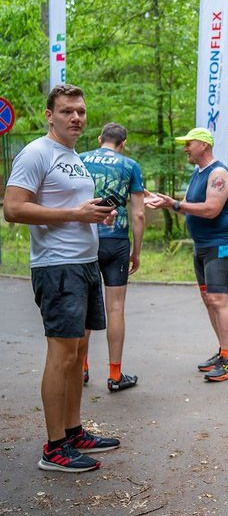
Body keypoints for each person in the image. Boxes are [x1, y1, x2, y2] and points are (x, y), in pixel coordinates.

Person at [4, 83, 121, 473]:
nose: (76, 117)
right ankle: (54, 448)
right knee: (62, 354)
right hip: (57, 267)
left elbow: (73, 206)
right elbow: (14, 209)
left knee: (79, 354)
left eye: (81, 111)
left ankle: (73, 432)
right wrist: (75, 214)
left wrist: (99, 214)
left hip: (85, 264)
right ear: (49, 115)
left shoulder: (72, 156)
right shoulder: (36, 152)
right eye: (67, 111)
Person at [145, 127, 228, 382]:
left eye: (189, 143)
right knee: (208, 299)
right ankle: (224, 351)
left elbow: (210, 209)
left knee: (219, 300)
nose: (185, 148)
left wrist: (174, 204)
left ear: (204, 145)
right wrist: (162, 200)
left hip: (219, 244)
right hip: (202, 246)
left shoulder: (218, 173)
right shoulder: (198, 175)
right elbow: (188, 207)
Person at [79, 123, 145, 392]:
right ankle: (115, 375)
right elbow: (139, 214)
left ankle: (80, 369)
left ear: (99, 139)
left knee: (82, 306)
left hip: (85, 241)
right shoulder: (130, 165)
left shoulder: (80, 160)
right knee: (115, 308)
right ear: (123, 143)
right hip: (116, 243)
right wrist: (136, 252)